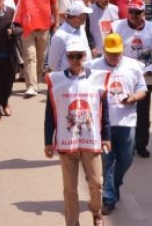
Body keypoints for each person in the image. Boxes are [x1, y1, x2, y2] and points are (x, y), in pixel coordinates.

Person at [44, 37, 110, 226]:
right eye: (71, 56)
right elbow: (50, 113)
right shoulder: (56, 80)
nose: (75, 60)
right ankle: (72, 222)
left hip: (92, 139)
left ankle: (96, 211)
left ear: (85, 56)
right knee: (69, 188)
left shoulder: (97, 78)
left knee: (97, 184)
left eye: (79, 56)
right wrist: (48, 141)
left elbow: (104, 110)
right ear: (66, 57)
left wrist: (106, 136)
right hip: (67, 140)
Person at [86, 34, 147, 215]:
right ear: (104, 50)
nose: (114, 57)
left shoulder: (133, 66)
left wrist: (134, 98)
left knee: (126, 158)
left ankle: (115, 183)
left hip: (126, 121)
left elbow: (142, 88)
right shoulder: (92, 67)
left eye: (117, 53)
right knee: (107, 161)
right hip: (103, 123)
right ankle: (109, 197)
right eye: (111, 53)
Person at [112, 0, 152, 157]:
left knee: (143, 112)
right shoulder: (118, 27)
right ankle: (125, 145)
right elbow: (111, 49)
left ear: (144, 12)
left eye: (137, 12)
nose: (133, 15)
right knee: (122, 110)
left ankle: (141, 145)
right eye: (131, 12)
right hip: (124, 76)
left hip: (145, 77)